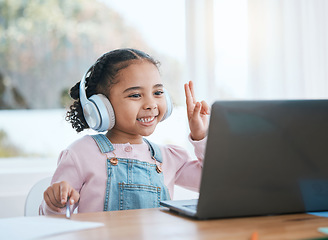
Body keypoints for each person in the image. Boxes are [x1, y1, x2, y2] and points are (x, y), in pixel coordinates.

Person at [40, 48, 210, 215]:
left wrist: (200, 135)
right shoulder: (80, 154)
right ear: (101, 106)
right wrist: (54, 203)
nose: (151, 104)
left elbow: (214, 182)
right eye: (135, 95)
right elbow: (54, 219)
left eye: (157, 92)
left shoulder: (170, 158)